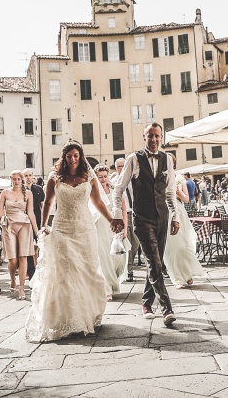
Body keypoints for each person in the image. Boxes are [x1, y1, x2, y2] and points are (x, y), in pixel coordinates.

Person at [25, 141, 117, 342]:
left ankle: (89, 314)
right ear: (64, 158)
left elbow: (98, 202)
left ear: (80, 156)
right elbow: (48, 202)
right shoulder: (54, 177)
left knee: (88, 271)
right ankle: (68, 318)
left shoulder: (89, 176)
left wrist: (111, 220)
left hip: (85, 228)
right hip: (62, 228)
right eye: (69, 156)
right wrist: (43, 226)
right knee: (65, 274)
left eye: (76, 155)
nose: (73, 159)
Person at [110, 123, 180, 326]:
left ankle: (146, 303)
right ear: (144, 137)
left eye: (157, 136)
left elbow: (170, 192)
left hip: (162, 217)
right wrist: (116, 214)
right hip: (141, 218)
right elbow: (118, 189)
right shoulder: (134, 159)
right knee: (155, 261)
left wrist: (174, 216)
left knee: (154, 261)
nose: (154, 139)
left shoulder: (167, 159)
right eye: (150, 135)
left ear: (161, 138)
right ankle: (167, 308)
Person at [0, 170, 38, 299]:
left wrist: (36, 231)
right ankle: (13, 278)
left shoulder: (28, 193)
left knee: (23, 257)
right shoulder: (5, 193)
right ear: (10, 180)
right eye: (14, 179)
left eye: (18, 179)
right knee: (12, 259)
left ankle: (22, 288)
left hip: (24, 225)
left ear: (21, 180)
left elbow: (31, 212)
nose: (16, 181)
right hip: (9, 225)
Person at [91, 165, 127, 299]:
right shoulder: (93, 191)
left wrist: (124, 229)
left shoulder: (114, 190)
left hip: (113, 228)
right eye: (100, 177)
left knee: (116, 259)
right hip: (98, 227)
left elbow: (123, 209)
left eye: (105, 176)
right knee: (103, 258)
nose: (103, 179)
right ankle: (107, 290)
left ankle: (112, 283)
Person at [163, 171, 204, 289]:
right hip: (165, 211)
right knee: (171, 248)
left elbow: (186, 199)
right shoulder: (158, 177)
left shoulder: (180, 179)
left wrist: (177, 191)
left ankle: (187, 274)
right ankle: (176, 279)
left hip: (179, 211)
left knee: (183, 246)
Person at [114, 157, 140, 282]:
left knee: (136, 243)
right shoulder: (114, 182)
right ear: (116, 168)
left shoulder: (132, 180)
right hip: (123, 215)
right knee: (126, 242)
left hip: (135, 214)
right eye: (120, 166)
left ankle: (129, 266)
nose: (124, 168)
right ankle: (129, 270)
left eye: (125, 165)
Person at [23, 168, 45, 285]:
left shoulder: (39, 189)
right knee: (28, 247)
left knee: (39, 246)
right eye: (25, 175)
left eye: (29, 175)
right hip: (25, 222)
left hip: (37, 220)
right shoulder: (20, 190)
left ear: (33, 176)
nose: (28, 177)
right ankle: (30, 272)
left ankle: (39, 270)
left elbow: (43, 206)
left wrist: (43, 222)